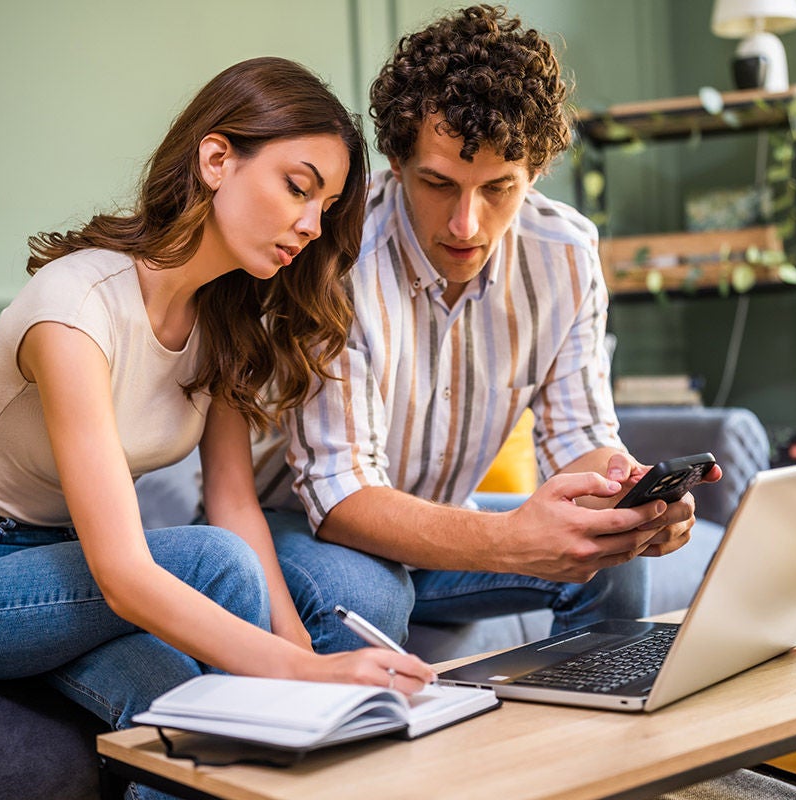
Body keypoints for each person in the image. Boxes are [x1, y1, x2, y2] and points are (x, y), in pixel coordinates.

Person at [0, 56, 436, 761]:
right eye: (298, 188)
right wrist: (306, 668)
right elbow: (125, 572)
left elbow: (235, 504)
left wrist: (316, 675)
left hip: (64, 577)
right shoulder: (74, 309)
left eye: (325, 209)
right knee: (215, 561)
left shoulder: (227, 325)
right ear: (216, 159)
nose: (311, 226)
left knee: (181, 711)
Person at [252, 6, 722, 653]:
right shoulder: (335, 256)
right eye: (439, 183)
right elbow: (343, 497)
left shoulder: (564, 252)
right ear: (396, 158)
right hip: (297, 526)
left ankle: (590, 744)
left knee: (613, 562)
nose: (466, 224)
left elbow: (579, 434)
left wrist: (629, 502)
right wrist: (511, 541)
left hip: (445, 526)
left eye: (498, 187)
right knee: (367, 594)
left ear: (536, 171)